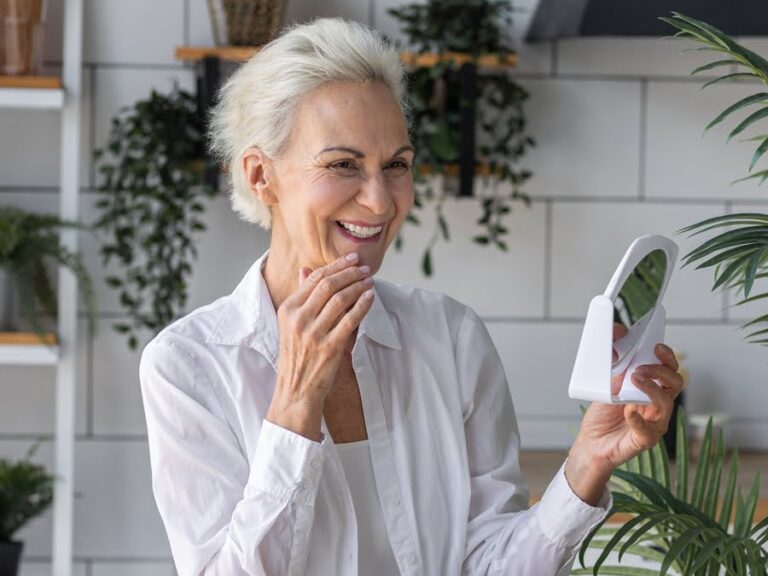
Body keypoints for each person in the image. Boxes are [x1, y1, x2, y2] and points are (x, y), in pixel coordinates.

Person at [139, 17, 685, 576]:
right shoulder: (188, 367)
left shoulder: (451, 338)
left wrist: (588, 463)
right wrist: (295, 404)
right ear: (261, 176)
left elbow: (489, 564)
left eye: (396, 165)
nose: (380, 202)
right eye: (343, 165)